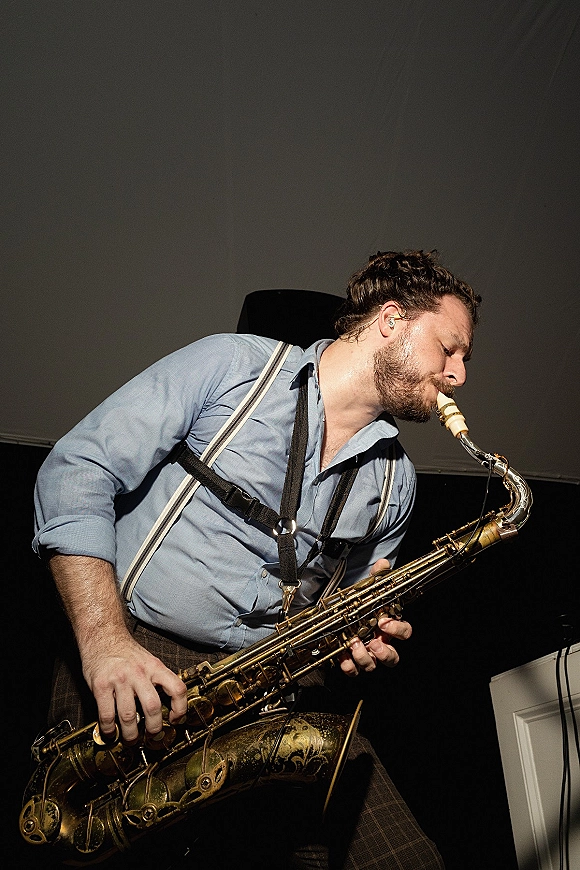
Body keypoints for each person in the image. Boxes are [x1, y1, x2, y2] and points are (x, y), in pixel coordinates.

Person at [33, 249, 480, 870]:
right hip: (142, 657)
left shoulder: (397, 481)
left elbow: (336, 605)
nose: (458, 374)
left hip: (270, 686)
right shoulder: (233, 368)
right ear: (391, 320)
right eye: (449, 348)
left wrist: (357, 629)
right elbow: (76, 470)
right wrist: (104, 640)